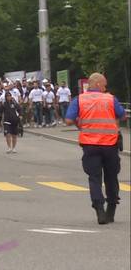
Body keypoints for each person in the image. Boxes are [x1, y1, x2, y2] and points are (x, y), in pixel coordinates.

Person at [65, 73, 127, 225]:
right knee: (111, 177)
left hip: (90, 145)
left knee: (94, 178)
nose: (106, 87)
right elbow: (123, 116)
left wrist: (80, 125)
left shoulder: (79, 100)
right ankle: (111, 210)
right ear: (98, 84)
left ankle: (99, 210)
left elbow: (68, 120)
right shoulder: (110, 98)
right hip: (110, 145)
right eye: (104, 84)